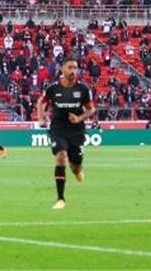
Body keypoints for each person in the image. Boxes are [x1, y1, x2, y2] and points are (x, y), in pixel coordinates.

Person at [35, 56, 95, 209]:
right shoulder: (53, 88)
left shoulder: (83, 89)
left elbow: (91, 109)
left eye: (75, 68)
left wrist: (79, 117)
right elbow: (41, 102)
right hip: (58, 129)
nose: (73, 71)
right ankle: (60, 199)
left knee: (75, 166)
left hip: (77, 131)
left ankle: (77, 171)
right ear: (62, 70)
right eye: (70, 67)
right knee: (61, 157)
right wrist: (41, 118)